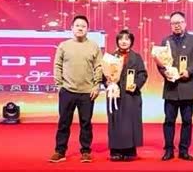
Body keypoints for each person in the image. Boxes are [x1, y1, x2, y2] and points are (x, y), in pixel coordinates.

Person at [50, 15, 102, 163]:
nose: (80, 28)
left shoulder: (94, 46)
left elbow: (99, 66)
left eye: (83, 26)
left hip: (87, 92)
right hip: (67, 90)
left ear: (87, 29)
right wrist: (59, 85)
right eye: (77, 25)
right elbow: (57, 65)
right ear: (72, 28)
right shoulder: (64, 46)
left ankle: (85, 151)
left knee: (86, 123)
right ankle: (60, 151)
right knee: (64, 122)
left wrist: (97, 85)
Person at [158, 11, 193, 161]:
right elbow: (160, 62)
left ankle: (184, 150)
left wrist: (189, 71)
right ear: (170, 25)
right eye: (173, 23)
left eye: (179, 22)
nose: (176, 25)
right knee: (169, 121)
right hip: (171, 87)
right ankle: (169, 150)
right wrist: (165, 73)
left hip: (187, 86)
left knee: (187, 121)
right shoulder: (166, 41)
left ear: (185, 23)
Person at [106, 29, 148, 161]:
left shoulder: (137, 57)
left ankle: (130, 151)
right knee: (116, 122)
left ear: (131, 42)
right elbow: (104, 75)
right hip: (115, 95)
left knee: (130, 122)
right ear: (117, 41)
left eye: (127, 39)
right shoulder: (110, 58)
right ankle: (115, 151)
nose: (124, 42)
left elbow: (143, 74)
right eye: (121, 39)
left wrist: (136, 84)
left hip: (131, 95)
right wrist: (108, 83)